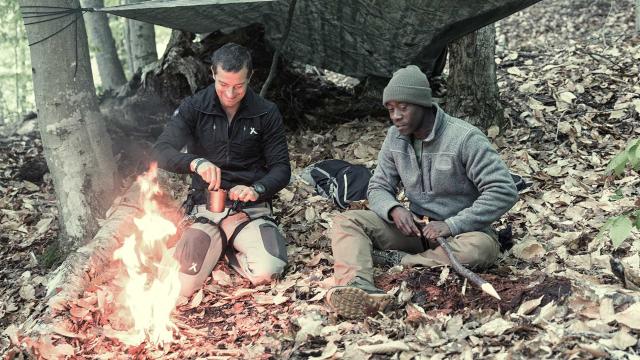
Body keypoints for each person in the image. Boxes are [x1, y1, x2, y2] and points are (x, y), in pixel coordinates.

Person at [325, 65, 518, 318]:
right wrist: (393, 210)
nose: (395, 116)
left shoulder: (464, 138)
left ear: (423, 104)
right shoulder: (395, 138)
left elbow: (503, 190)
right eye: (390, 109)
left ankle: (400, 261)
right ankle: (358, 287)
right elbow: (378, 186)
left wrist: (451, 224)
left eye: (403, 107)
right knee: (347, 221)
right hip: (416, 229)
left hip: (464, 234)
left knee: (480, 250)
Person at [153, 43, 291, 297]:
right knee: (179, 286)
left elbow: (281, 169)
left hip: (249, 210)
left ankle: (227, 251)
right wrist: (195, 163)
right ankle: (215, 245)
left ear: (250, 77)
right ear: (213, 74)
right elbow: (161, 150)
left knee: (269, 270)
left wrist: (257, 189)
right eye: (223, 84)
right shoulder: (194, 107)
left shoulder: (266, 112)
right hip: (206, 210)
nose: (230, 93)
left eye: (238, 86)